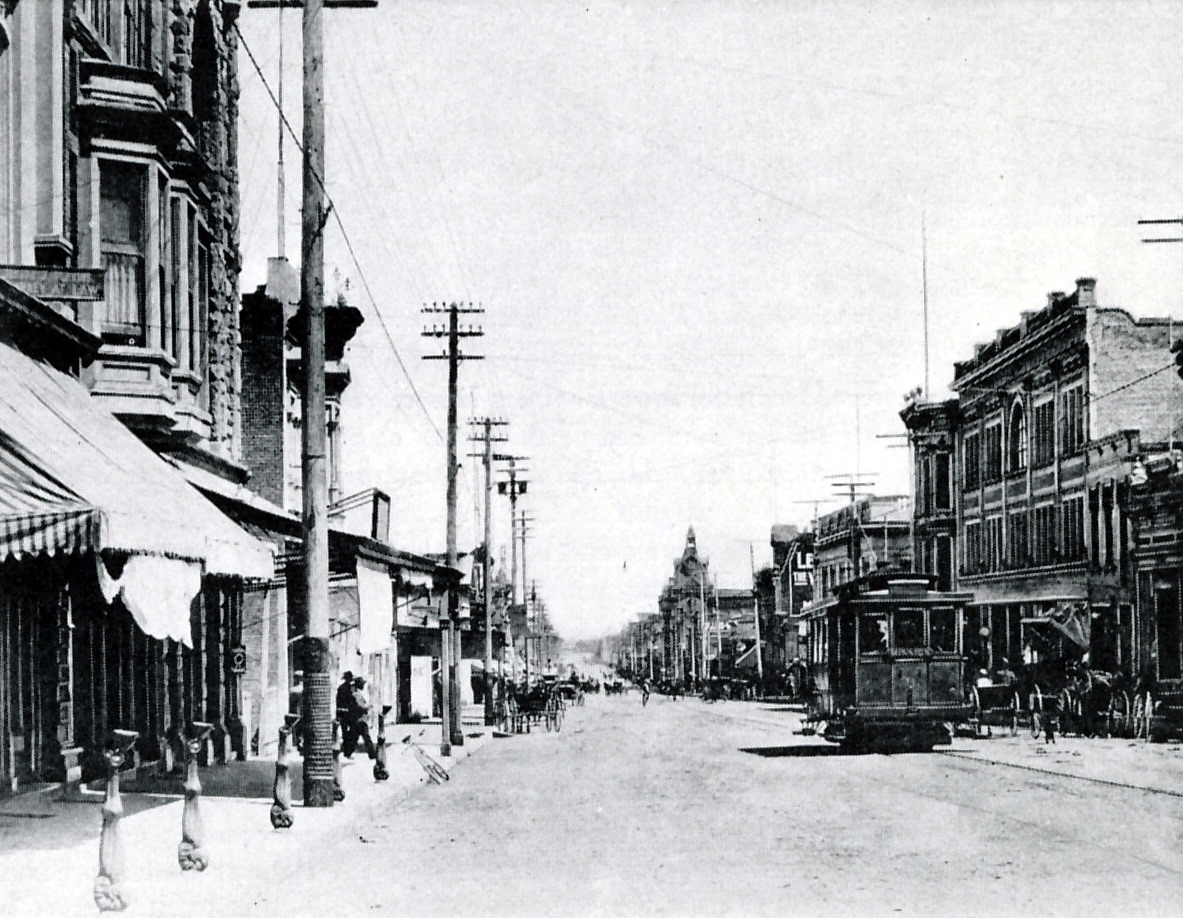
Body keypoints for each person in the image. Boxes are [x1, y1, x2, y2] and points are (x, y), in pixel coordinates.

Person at [348, 676, 377, 759]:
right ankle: (372, 755)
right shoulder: (357, 695)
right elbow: (360, 707)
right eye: (362, 684)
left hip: (357, 719)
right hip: (360, 720)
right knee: (366, 738)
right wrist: (368, 707)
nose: (363, 685)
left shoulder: (356, 693)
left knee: (354, 738)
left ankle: (349, 753)